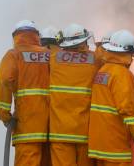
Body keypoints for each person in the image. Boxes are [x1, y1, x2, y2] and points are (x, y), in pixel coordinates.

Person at [0, 20, 51, 166]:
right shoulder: (50, 54)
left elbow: (4, 82)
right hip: (53, 127)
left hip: (27, 126)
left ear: (15, 36)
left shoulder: (14, 55)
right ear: (36, 35)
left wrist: (5, 115)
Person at [88, 30, 134, 166]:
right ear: (127, 51)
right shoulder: (121, 74)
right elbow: (126, 107)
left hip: (100, 143)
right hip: (116, 143)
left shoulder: (103, 71)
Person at [49, 23, 98, 166]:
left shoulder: (53, 59)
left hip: (60, 132)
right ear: (83, 42)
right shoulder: (94, 59)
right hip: (85, 132)